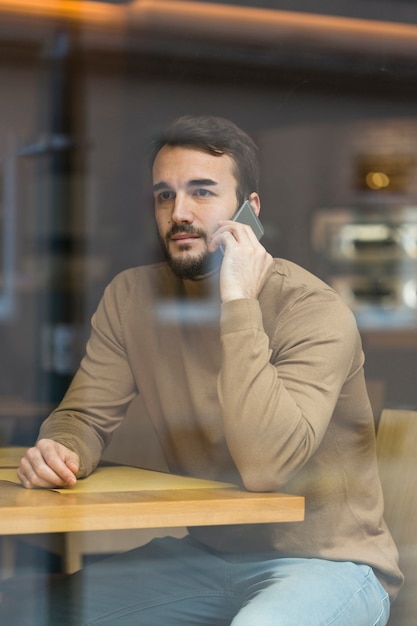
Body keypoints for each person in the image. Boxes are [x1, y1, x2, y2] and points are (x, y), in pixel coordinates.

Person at [12, 115, 402, 625]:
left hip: (328, 565)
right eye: (164, 195)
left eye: (201, 192)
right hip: (205, 558)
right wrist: (61, 449)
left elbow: (267, 468)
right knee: (22, 608)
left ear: (250, 210)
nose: (179, 213)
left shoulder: (312, 308)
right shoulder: (131, 298)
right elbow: (83, 416)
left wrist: (238, 299)